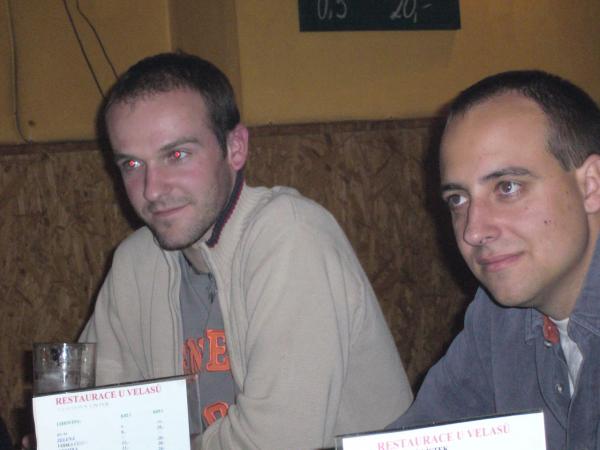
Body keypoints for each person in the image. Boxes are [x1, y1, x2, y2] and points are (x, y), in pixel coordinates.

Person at [79, 52, 412, 449]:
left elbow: (280, 441)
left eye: (177, 155)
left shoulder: (292, 235)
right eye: (132, 165)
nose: (152, 189)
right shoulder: (136, 262)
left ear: (235, 148)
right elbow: (92, 407)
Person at [387, 70, 600, 449]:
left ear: (591, 185)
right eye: (458, 199)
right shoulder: (498, 317)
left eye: (507, 187)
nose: (473, 231)